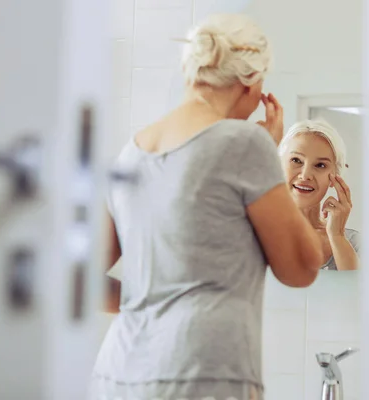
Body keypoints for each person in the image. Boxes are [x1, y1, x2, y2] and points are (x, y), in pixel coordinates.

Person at [90, 14, 324, 400]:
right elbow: (301, 267)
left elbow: (79, 278)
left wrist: (148, 302)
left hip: (118, 374)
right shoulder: (245, 143)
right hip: (202, 375)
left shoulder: (133, 151)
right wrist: (272, 162)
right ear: (251, 82)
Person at [278, 119, 360, 271]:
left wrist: (337, 236)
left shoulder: (354, 243)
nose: (305, 175)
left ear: (335, 176)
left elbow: (358, 293)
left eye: (320, 165)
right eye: (296, 160)